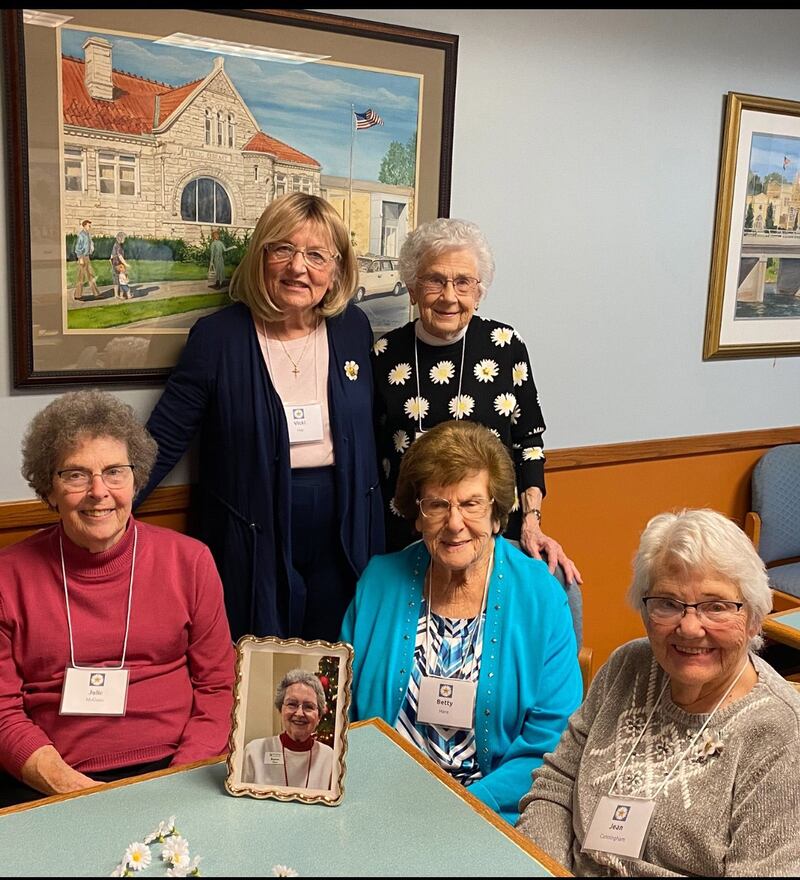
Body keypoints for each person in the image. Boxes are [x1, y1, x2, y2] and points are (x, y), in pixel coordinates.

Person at [137, 193, 384, 643]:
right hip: (252, 523)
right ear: (261, 256)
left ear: (337, 269)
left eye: (316, 255)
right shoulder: (218, 338)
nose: (298, 268)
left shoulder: (353, 330)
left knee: (336, 652)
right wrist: (110, 504)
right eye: (283, 249)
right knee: (259, 658)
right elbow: (165, 437)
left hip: (344, 520)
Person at [516, 508, 800, 876]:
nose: (690, 627)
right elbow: (558, 785)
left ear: (754, 616)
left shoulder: (781, 734)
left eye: (716, 606)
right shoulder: (629, 666)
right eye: (668, 603)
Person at [0, 391, 235, 808]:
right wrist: (73, 789)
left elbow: (218, 687)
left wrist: (177, 782)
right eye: (75, 475)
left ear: (135, 478)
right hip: (52, 778)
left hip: (179, 766)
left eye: (114, 472)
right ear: (48, 489)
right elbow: (2, 711)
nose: (98, 491)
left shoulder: (190, 561)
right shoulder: (8, 577)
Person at [340, 421, 582, 824]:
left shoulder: (540, 597)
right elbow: (342, 710)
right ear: (417, 515)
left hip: (495, 814)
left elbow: (552, 742)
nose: (454, 523)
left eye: (471, 504)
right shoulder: (379, 582)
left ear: (497, 514)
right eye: (437, 504)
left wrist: (458, 809)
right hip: (376, 803)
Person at [373, 218, 580, 586]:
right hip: (408, 540)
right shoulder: (385, 354)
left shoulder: (506, 346)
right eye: (435, 280)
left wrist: (532, 523)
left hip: (494, 536)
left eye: (463, 282)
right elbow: (374, 457)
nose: (449, 296)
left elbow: (529, 443)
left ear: (479, 291)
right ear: (412, 289)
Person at [242, 669, 333, 789]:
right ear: (281, 709)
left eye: (309, 707)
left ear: (319, 716)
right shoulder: (254, 752)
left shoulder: (330, 758)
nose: (299, 713)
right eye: (292, 704)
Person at [73, 219, 100, 300]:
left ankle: (96, 294)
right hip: (82, 257)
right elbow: (78, 248)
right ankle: (78, 295)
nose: (90, 227)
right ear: (84, 226)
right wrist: (80, 258)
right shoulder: (81, 235)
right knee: (81, 277)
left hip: (87, 257)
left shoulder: (87, 234)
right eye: (89, 225)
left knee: (90, 275)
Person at [110, 230, 129, 299]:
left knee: (116, 280)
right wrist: (125, 264)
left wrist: (111, 262)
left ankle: (116, 295)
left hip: (115, 264)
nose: (125, 240)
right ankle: (120, 295)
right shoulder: (118, 246)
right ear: (121, 238)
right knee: (121, 280)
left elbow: (111, 255)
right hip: (118, 265)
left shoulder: (116, 244)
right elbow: (120, 256)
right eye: (124, 238)